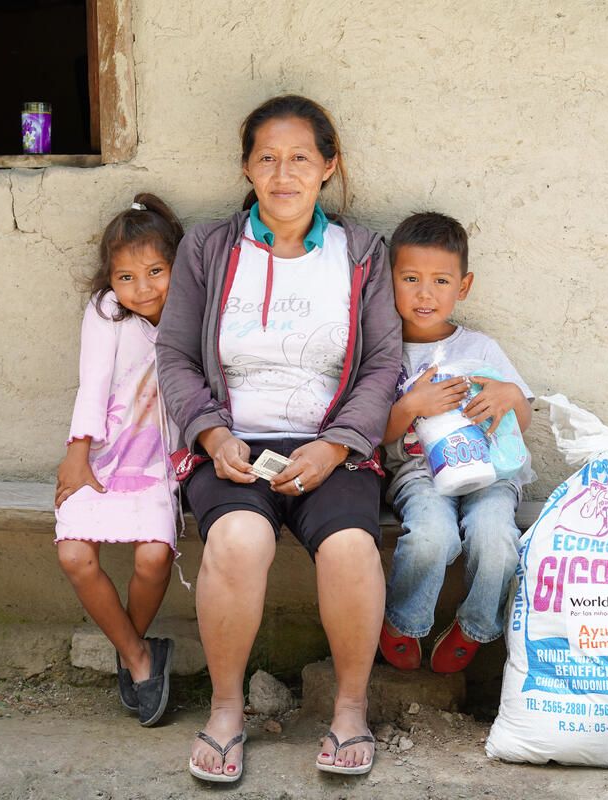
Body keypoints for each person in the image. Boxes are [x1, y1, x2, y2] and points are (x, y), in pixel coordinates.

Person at [157, 95, 401, 782]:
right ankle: (228, 710)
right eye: (267, 157)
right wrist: (210, 433)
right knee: (238, 539)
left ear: (328, 166)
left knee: (353, 546)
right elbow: (174, 355)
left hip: (333, 448)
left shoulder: (360, 253)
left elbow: (384, 363)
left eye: (300, 157)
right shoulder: (208, 247)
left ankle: (351, 710)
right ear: (246, 167)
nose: (283, 172)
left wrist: (341, 443)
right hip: (234, 445)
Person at [378, 211, 535, 674]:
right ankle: (403, 621)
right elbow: (375, 433)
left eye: (440, 281)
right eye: (410, 278)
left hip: (491, 470)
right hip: (419, 472)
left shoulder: (480, 348)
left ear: (462, 287)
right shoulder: (382, 352)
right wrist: (409, 407)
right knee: (431, 536)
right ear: (390, 282)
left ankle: (476, 624)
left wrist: (509, 396)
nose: (425, 294)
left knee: (497, 539)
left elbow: (520, 416)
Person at [54, 193, 186, 728]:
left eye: (156, 271)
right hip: (105, 455)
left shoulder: (192, 312)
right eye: (127, 276)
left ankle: (130, 645)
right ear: (110, 279)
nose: (143, 288)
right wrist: (76, 455)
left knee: (154, 558)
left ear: (176, 265)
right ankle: (137, 656)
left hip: (161, 462)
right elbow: (92, 385)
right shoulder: (106, 312)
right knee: (74, 557)